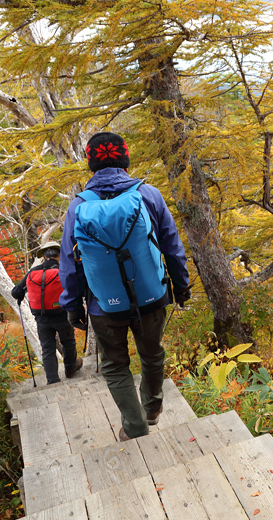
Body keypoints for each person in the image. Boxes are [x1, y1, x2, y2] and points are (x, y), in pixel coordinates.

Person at [58, 131, 190, 441]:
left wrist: (72, 307)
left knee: (115, 365)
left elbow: (69, 263)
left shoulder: (78, 206)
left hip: (103, 304)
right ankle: (152, 408)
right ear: (125, 158)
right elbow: (172, 246)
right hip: (152, 295)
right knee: (152, 354)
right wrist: (181, 288)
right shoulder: (149, 195)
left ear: (91, 163)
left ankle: (134, 427)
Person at [11, 241, 83, 384]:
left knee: (47, 348)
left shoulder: (33, 272)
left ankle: (52, 380)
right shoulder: (63, 270)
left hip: (41, 317)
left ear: (43, 255)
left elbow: (15, 292)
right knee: (68, 341)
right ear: (59, 254)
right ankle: (70, 368)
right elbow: (76, 288)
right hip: (62, 314)